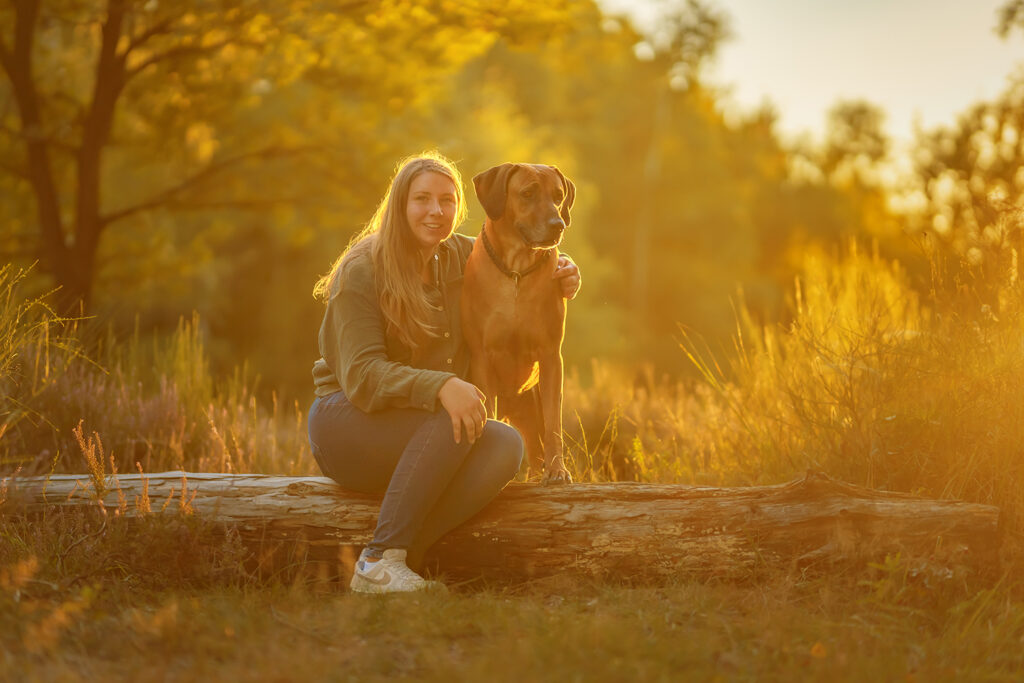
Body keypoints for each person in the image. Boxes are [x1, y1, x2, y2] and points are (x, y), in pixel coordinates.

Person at [307, 152, 581, 594]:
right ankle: (380, 557)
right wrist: (442, 385)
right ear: (399, 205)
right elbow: (361, 377)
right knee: (457, 418)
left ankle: (410, 558)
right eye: (422, 200)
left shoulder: (459, 254)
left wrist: (566, 267)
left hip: (424, 427)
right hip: (347, 423)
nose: (436, 212)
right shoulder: (362, 269)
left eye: (447, 201)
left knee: (505, 444)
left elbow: (514, 251)